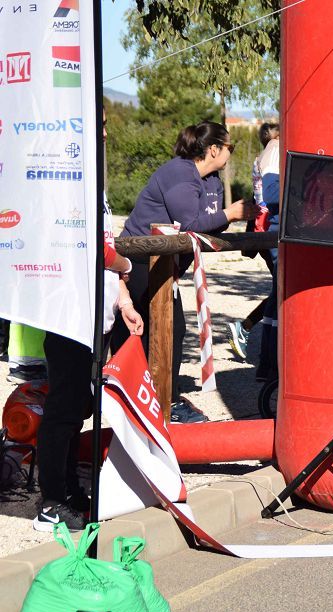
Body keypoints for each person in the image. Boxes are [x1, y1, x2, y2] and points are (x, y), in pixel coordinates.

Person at [34, 111, 145, 531]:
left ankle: (68, 489)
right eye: (93, 124)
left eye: (102, 125)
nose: (102, 131)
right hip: (67, 308)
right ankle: (51, 502)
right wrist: (127, 265)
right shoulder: (67, 176)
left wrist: (123, 297)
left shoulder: (92, 173)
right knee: (63, 405)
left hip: (94, 311)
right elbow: (96, 249)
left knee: (79, 401)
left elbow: (105, 250)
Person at [111, 122, 257, 424]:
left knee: (159, 329)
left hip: (164, 262)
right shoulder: (179, 172)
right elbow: (191, 221)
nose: (231, 153)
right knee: (158, 329)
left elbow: (212, 223)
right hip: (139, 259)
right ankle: (161, 399)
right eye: (230, 147)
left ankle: (149, 395)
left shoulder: (211, 179)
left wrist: (226, 217)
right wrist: (230, 213)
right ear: (213, 149)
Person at [226, 122, 280, 361]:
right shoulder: (273, 151)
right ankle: (246, 329)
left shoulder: (264, 155)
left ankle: (247, 328)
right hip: (270, 228)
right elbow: (270, 194)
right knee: (282, 288)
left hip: (263, 227)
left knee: (280, 288)